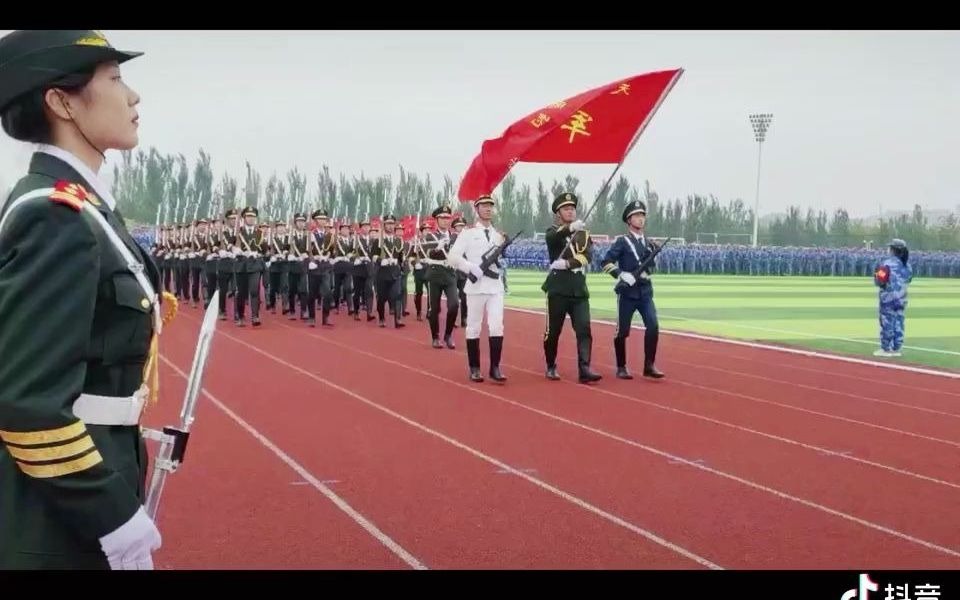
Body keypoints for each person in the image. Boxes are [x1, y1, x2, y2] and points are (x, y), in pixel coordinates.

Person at [0, 29, 164, 569]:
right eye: (115, 79)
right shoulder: (56, 217)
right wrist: (112, 517)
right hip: (57, 520)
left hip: (90, 474)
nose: (133, 96)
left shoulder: (84, 208)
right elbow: (28, 403)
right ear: (62, 101)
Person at [600, 200, 665, 379]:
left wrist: (649, 268)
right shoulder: (623, 242)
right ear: (629, 220)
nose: (641, 219)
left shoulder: (650, 244)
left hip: (645, 291)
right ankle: (621, 366)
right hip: (627, 293)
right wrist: (621, 274)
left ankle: (649, 365)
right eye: (637, 215)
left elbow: (651, 267)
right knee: (623, 331)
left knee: (653, 325)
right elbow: (605, 262)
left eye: (643, 215)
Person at [541, 192, 602, 383]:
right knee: (553, 332)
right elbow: (553, 239)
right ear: (558, 213)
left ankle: (584, 369)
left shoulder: (583, 234)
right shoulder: (552, 231)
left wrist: (568, 264)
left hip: (578, 289)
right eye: (566, 209)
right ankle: (551, 365)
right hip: (558, 288)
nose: (570, 211)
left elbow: (587, 257)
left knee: (584, 329)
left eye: (572, 208)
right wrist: (569, 228)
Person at [447, 195, 507, 383]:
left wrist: (503, 261)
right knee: (473, 327)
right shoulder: (467, 233)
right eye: (484, 206)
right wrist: (470, 268)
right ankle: (474, 367)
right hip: (475, 287)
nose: (488, 209)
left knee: (497, 325)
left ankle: (495, 367)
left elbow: (500, 259)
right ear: (477, 209)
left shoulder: (499, 235)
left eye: (490, 206)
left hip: (495, 287)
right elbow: (453, 257)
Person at [423, 205, 460, 349]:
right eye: (442, 218)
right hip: (435, 273)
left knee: (454, 305)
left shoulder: (454, 237)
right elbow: (428, 253)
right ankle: (435, 337)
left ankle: (448, 334)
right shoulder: (430, 236)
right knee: (434, 308)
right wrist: (437, 247)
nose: (446, 221)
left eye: (448, 218)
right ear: (437, 220)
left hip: (450, 274)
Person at [873, 238, 913, 357]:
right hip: (901, 298)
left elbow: (880, 281)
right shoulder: (907, 265)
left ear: (892, 250)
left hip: (888, 298)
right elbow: (909, 279)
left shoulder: (886, 264)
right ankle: (897, 347)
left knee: (887, 322)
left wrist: (876, 274)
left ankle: (886, 348)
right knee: (898, 322)